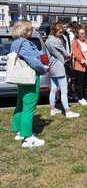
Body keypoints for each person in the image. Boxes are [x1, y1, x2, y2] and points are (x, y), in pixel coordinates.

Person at [10, 20, 49, 148]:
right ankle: (27, 138)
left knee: (20, 104)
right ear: (24, 30)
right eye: (30, 28)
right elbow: (34, 61)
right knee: (29, 106)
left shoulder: (15, 43)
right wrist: (44, 68)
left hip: (21, 78)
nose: (32, 31)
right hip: (30, 77)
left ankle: (19, 131)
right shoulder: (25, 44)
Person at [46, 23, 80, 118]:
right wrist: (70, 54)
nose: (61, 33)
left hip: (52, 66)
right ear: (55, 31)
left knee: (53, 89)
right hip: (59, 66)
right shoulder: (56, 40)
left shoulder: (48, 40)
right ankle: (67, 111)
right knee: (64, 91)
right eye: (60, 31)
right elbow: (65, 53)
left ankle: (52, 109)